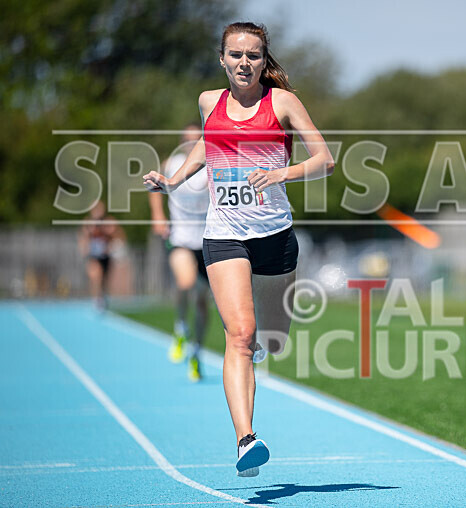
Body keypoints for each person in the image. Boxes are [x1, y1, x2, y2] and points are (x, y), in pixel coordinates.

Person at [143, 21, 334, 478]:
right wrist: (174, 180)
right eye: (235, 55)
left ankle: (259, 347)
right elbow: (208, 147)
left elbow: (325, 159)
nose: (244, 63)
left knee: (273, 339)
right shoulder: (210, 101)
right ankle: (246, 439)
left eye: (253, 55)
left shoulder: (282, 103)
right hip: (224, 232)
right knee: (240, 335)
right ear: (222, 59)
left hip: (275, 235)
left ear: (263, 60)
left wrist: (280, 175)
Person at [148, 124, 211, 381]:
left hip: (208, 241)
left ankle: (196, 352)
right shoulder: (171, 163)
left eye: (196, 139)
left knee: (203, 303)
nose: (190, 143)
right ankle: (181, 326)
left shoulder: (212, 164)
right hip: (180, 238)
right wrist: (158, 215)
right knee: (185, 283)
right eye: (186, 139)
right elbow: (155, 187)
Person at [79, 201, 125, 310]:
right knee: (96, 276)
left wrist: (114, 245)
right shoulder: (88, 223)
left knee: (105, 279)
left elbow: (119, 235)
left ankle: (103, 296)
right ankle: (96, 299)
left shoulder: (109, 222)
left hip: (106, 256)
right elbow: (83, 238)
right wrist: (84, 249)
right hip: (94, 256)